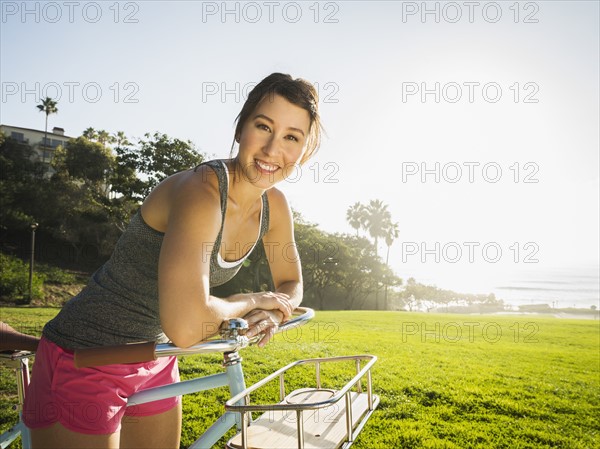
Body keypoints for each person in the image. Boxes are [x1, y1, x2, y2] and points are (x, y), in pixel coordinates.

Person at [22, 72, 323, 449]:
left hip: (156, 354)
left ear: (303, 151)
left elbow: (291, 285)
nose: (272, 149)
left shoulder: (274, 206)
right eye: (263, 126)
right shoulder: (201, 192)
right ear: (240, 128)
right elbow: (186, 325)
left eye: (291, 137)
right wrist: (253, 300)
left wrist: (276, 311)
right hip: (89, 353)